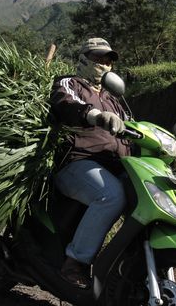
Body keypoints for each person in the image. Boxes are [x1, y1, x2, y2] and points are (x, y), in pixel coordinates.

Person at [49, 37, 132, 288]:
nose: (104, 64)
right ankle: (75, 263)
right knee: (112, 196)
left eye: (108, 60)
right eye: (98, 58)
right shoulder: (70, 83)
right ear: (83, 59)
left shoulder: (115, 100)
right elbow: (67, 103)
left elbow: (134, 129)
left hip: (113, 165)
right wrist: (94, 115)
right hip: (77, 162)